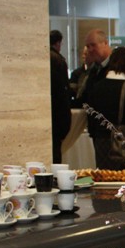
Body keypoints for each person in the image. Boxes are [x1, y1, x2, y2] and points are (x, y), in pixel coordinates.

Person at [85, 47, 125, 169]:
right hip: (123, 141)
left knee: (105, 175)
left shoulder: (97, 85)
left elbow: (91, 115)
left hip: (100, 140)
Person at [49, 30, 71, 163]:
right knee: (56, 153)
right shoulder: (58, 60)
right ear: (58, 43)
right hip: (58, 115)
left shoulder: (45, 57)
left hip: (49, 112)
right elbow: (63, 91)